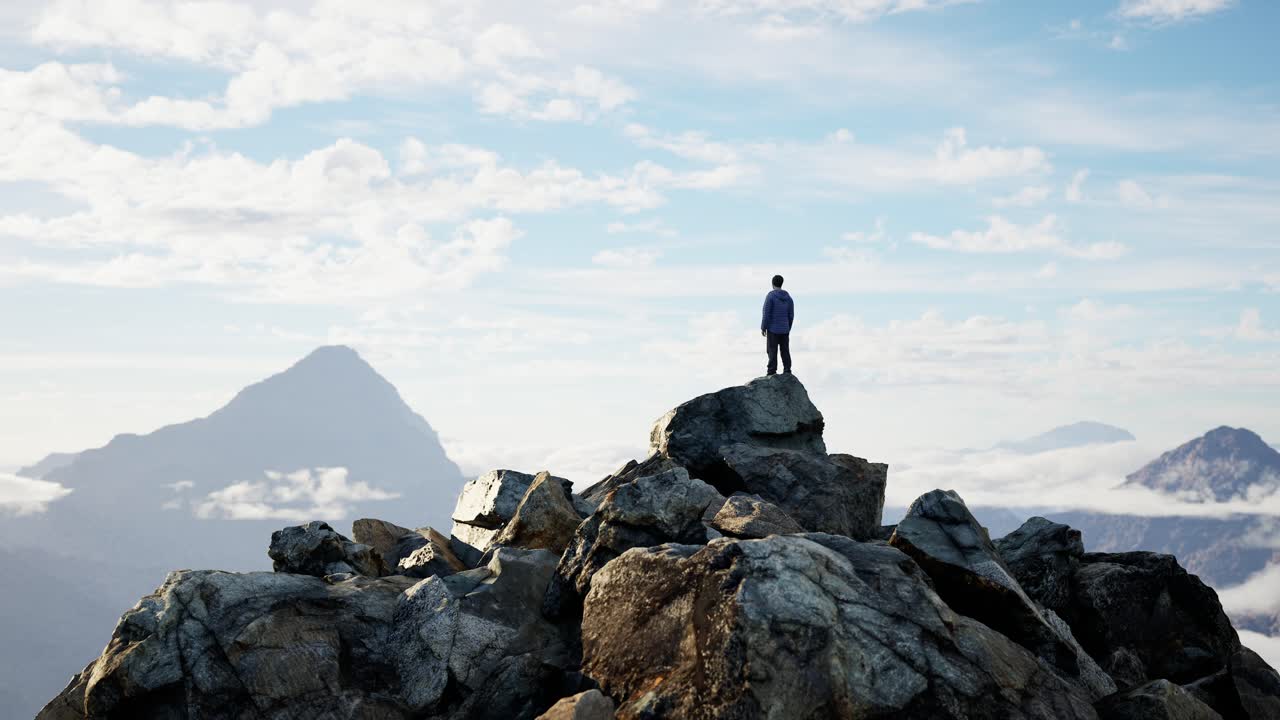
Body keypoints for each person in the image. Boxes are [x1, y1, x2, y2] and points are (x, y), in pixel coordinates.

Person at [760, 274, 794, 375]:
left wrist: (763, 327)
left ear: (772, 284)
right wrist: (788, 327)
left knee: (772, 350)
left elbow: (766, 313)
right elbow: (791, 315)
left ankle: (772, 371)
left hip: (772, 329)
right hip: (785, 329)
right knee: (785, 351)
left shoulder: (770, 296)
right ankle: (787, 370)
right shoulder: (789, 298)